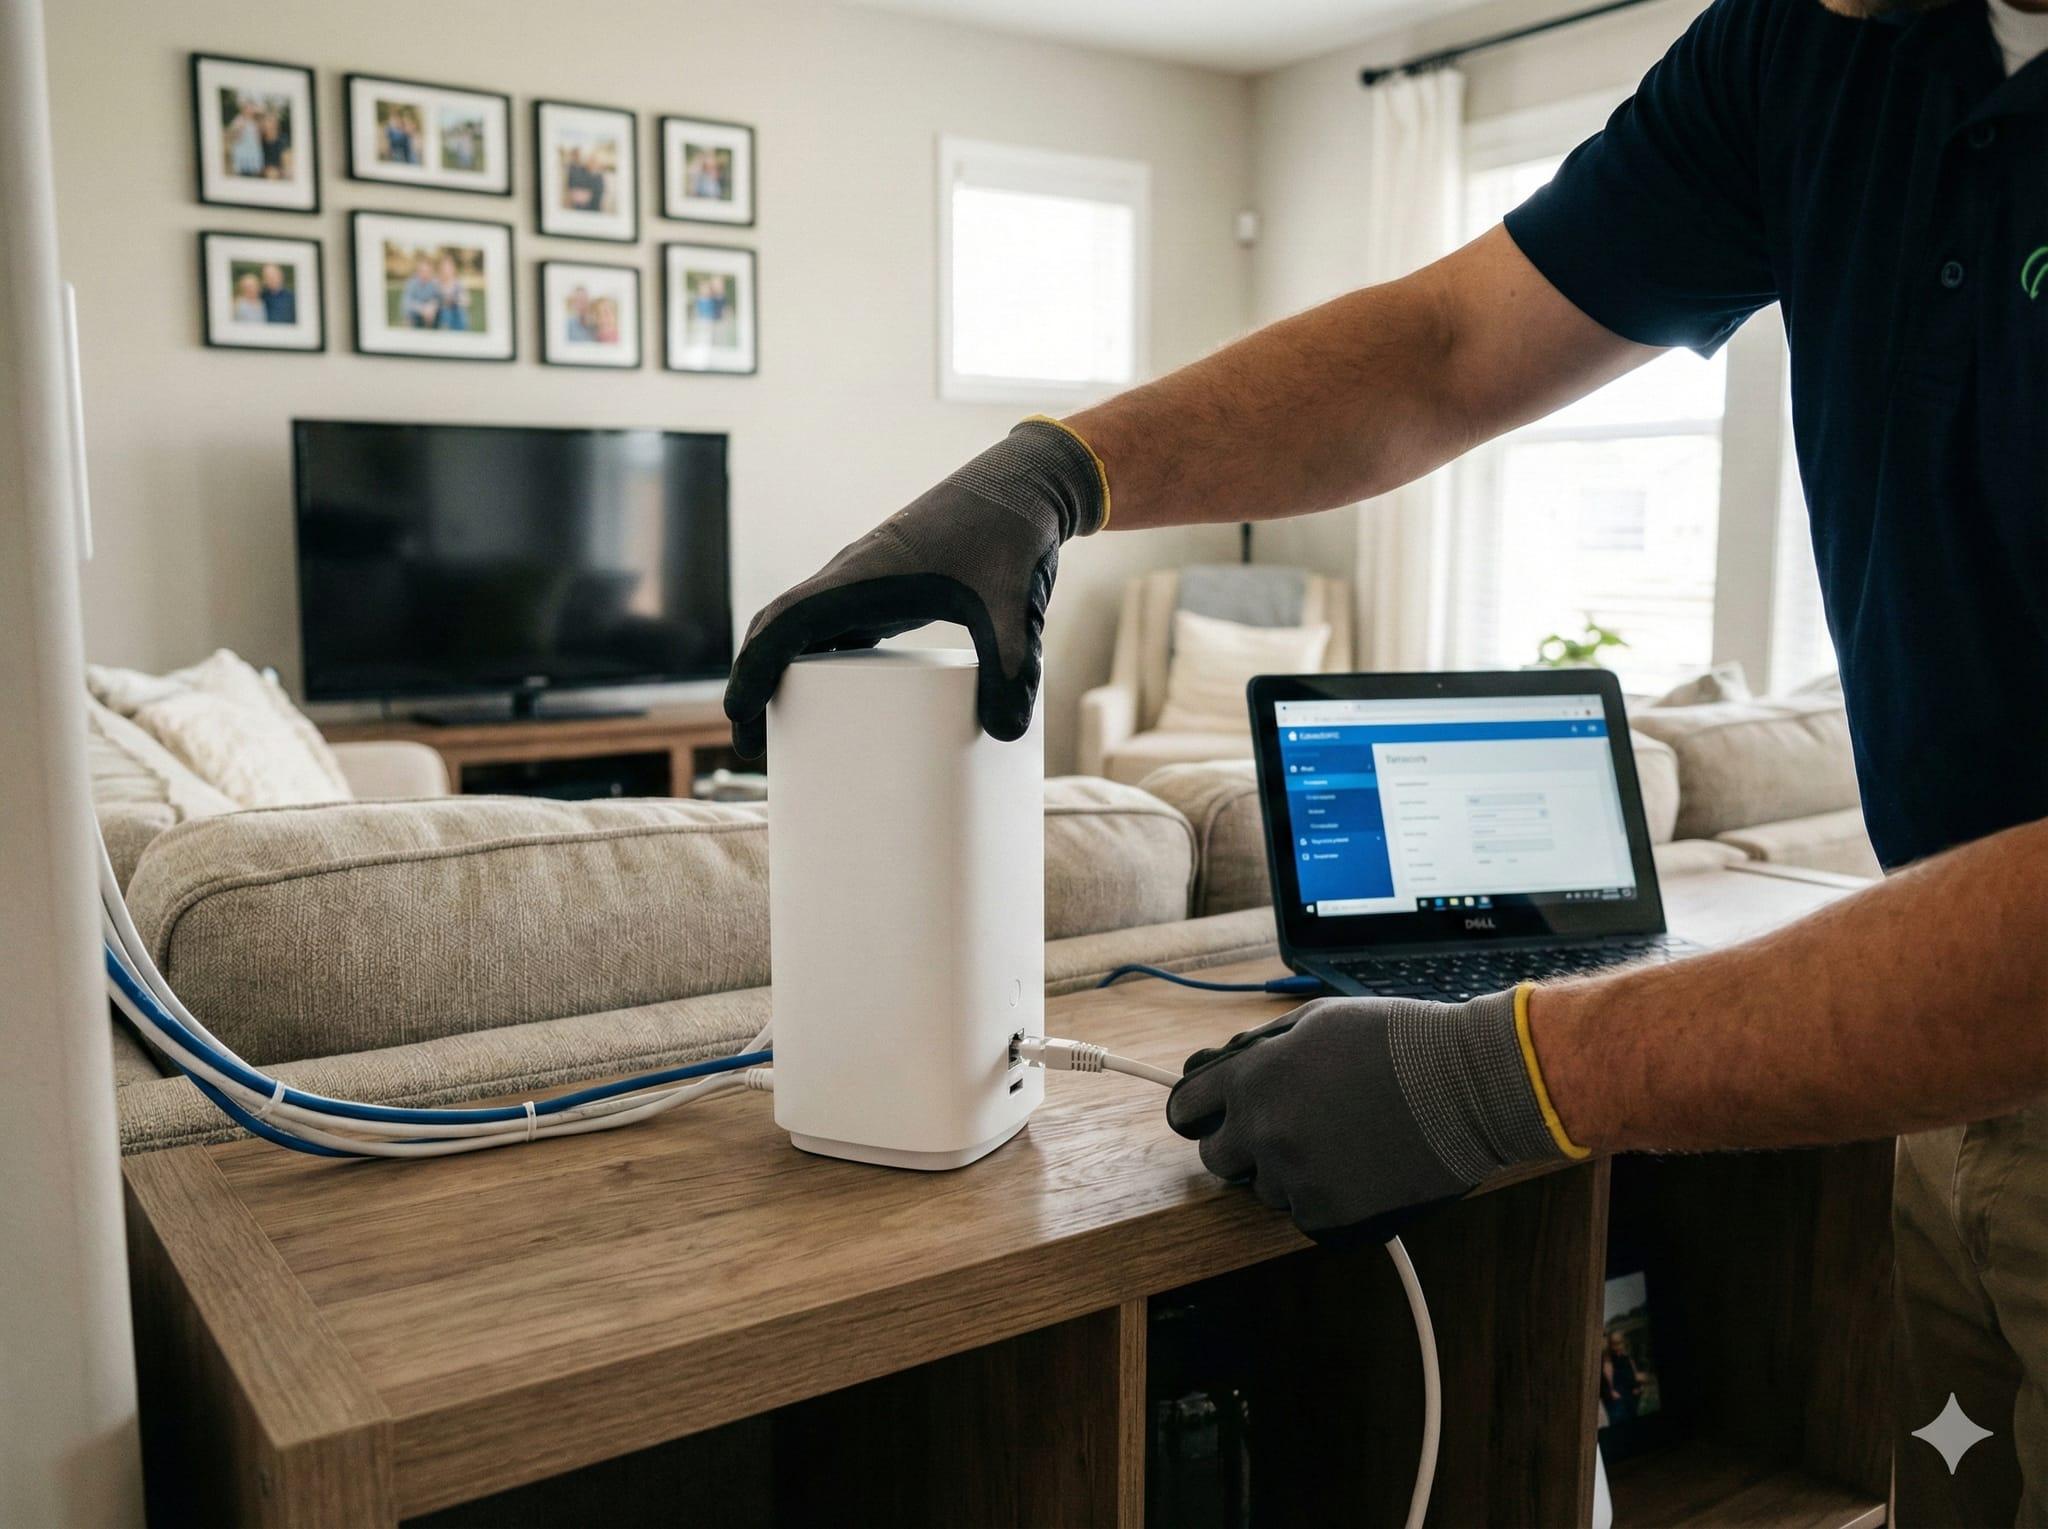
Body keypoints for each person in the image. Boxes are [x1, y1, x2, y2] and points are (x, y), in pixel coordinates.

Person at [722, 0, 2048, 1519]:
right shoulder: (1810, 45)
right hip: (1942, 1071)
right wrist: (1055, 474)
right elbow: (1450, 342)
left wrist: (1505, 1073)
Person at [1599, 1330, 1644, 1426]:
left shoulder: (1626, 1357)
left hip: (1630, 1394)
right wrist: (1611, 1392)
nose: (1617, 1347)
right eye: (1614, 1344)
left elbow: (1633, 1371)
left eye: (1619, 1343)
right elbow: (1607, 1373)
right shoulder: (1608, 1358)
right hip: (1618, 1397)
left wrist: (1637, 1386)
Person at [225, 95, 263, 178]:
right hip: (242, 152)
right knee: (242, 175)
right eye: (248, 108)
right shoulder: (239, 120)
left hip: (253, 153)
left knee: (253, 175)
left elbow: (258, 139)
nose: (250, 110)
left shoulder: (255, 122)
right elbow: (232, 135)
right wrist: (238, 131)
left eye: (252, 108)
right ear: (243, 109)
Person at [400, 253, 440, 328]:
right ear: (417, 271)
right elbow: (406, 303)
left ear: (431, 271)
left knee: (433, 314)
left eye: (427, 271)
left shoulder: (434, 283)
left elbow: (438, 298)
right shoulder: (411, 283)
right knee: (407, 320)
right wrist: (422, 308)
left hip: (430, 315)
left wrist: (433, 305)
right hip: (414, 315)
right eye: (422, 271)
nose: (424, 274)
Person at [433, 253, 469, 332]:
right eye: (444, 268)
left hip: (456, 311)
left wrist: (455, 300)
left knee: (460, 313)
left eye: (449, 268)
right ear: (440, 269)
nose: (446, 271)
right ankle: (445, 330)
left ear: (453, 269)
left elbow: (466, 300)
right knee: (446, 310)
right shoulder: (436, 282)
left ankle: (461, 333)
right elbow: (432, 298)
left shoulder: (458, 283)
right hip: (440, 312)